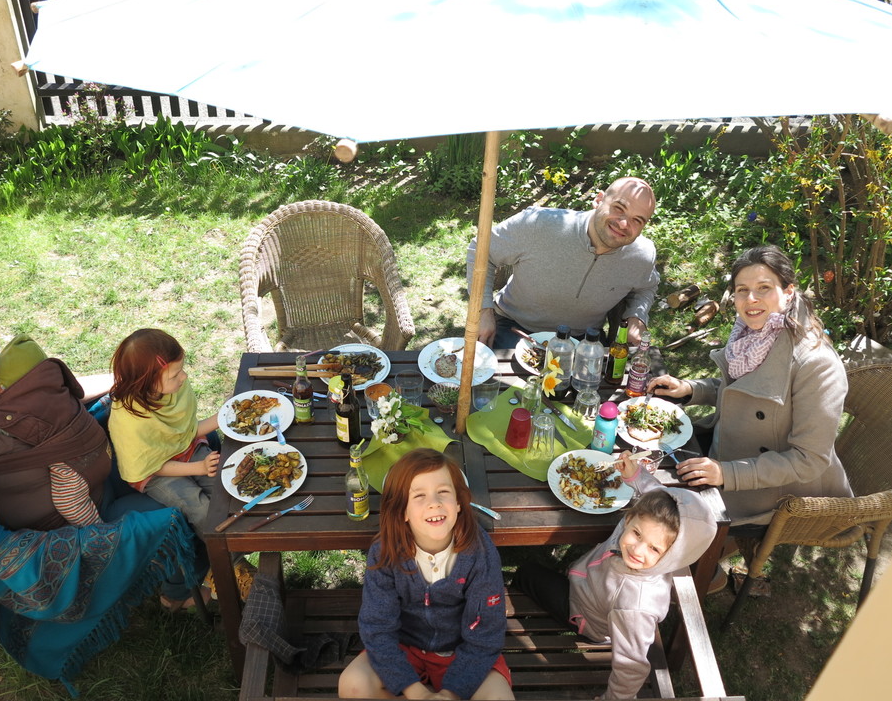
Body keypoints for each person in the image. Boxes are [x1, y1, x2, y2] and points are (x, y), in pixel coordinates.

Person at [0, 299, 197, 693]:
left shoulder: (3, 376)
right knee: (177, 513)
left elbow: (67, 392)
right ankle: (179, 592)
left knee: (196, 445)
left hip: (100, 485)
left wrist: (129, 379)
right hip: (63, 530)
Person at [649, 245, 852, 532]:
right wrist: (690, 389)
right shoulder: (750, 335)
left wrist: (726, 473)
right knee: (645, 470)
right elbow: (743, 391)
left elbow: (809, 460)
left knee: (667, 523)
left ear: (789, 292)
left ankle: (712, 572)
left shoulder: (817, 364)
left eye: (764, 287)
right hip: (724, 453)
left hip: (773, 492)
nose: (751, 299)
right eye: (742, 290)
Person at [512, 456, 716, 700]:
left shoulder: (634, 608)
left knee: (527, 572)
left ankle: (517, 614)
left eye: (654, 549)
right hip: (589, 583)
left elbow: (630, 668)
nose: (637, 550)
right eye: (636, 534)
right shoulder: (650, 520)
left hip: (582, 612)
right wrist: (635, 475)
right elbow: (657, 493)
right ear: (630, 519)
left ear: (671, 555)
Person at [338, 448, 513, 701]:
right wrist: (416, 692)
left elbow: (485, 635)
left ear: (459, 504)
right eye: (419, 495)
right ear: (403, 512)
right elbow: (377, 629)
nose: (434, 503)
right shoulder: (385, 552)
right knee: (353, 684)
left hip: (462, 652)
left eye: (443, 492)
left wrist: (451, 694)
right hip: (404, 649)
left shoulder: (480, 553)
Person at [466, 176, 659, 350]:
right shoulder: (538, 224)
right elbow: (480, 251)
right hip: (514, 328)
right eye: (619, 208)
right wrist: (483, 311)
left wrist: (637, 317)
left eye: (637, 220)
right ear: (598, 200)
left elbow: (646, 287)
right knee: (503, 388)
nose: (624, 224)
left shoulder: (642, 254)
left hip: (584, 340)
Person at [108, 328, 221, 530]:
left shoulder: (173, 389)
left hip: (187, 449)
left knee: (226, 489)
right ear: (146, 381)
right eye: (176, 374)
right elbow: (149, 466)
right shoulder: (130, 421)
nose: (184, 377)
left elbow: (184, 433)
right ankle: (230, 560)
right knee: (203, 512)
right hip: (155, 472)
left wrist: (226, 416)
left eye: (182, 369)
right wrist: (199, 468)